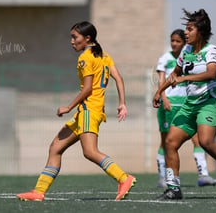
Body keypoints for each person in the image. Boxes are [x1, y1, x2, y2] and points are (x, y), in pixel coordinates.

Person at [17, 21, 136, 201]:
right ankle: (38, 192)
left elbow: (87, 89)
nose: (72, 41)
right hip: (86, 112)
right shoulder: (104, 55)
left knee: (90, 151)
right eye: (71, 37)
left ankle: (123, 178)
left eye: (75, 37)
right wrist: (122, 103)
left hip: (88, 110)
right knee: (55, 148)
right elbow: (119, 79)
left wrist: (68, 107)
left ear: (87, 38)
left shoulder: (85, 58)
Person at [153, 8, 216, 200]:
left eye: (189, 29)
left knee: (205, 141)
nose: (185, 32)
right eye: (185, 29)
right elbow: (175, 74)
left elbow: (211, 73)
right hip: (190, 105)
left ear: (200, 32)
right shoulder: (185, 51)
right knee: (170, 142)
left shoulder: (211, 51)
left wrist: (185, 78)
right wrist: (159, 92)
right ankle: (173, 188)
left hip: (209, 104)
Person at [156, 29, 216, 188]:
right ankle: (163, 177)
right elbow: (162, 80)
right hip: (170, 103)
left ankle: (203, 174)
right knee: (166, 142)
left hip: (187, 103)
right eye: (173, 41)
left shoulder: (189, 56)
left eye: (178, 41)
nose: (175, 44)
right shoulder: (165, 58)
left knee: (199, 140)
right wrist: (162, 96)